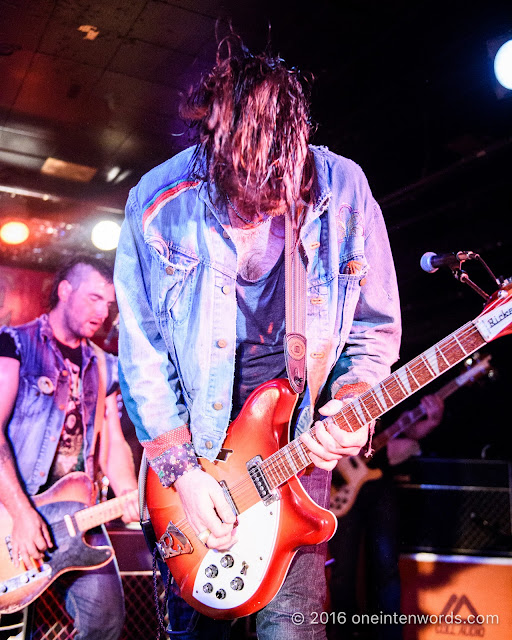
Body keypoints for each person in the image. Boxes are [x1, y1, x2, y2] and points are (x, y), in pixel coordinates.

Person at [114, 33, 401, 640]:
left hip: (297, 458)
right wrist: (183, 475)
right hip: (193, 467)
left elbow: (376, 329)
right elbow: (142, 357)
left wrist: (351, 405)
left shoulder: (344, 190)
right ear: (209, 148)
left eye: (274, 199)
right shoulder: (157, 204)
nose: (257, 217)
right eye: (241, 200)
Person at [0, 256, 139, 640]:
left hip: (79, 513)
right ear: (65, 290)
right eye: (94, 298)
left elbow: (112, 443)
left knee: (106, 622)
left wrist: (128, 492)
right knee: (16, 628)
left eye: (108, 304)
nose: (102, 311)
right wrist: (22, 512)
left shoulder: (104, 365)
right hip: (17, 513)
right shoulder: (14, 344)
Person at [328, 394, 444, 640]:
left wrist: (428, 425)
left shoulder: (393, 373)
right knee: (341, 572)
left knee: (386, 567)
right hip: (340, 480)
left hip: (380, 481)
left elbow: (405, 427)